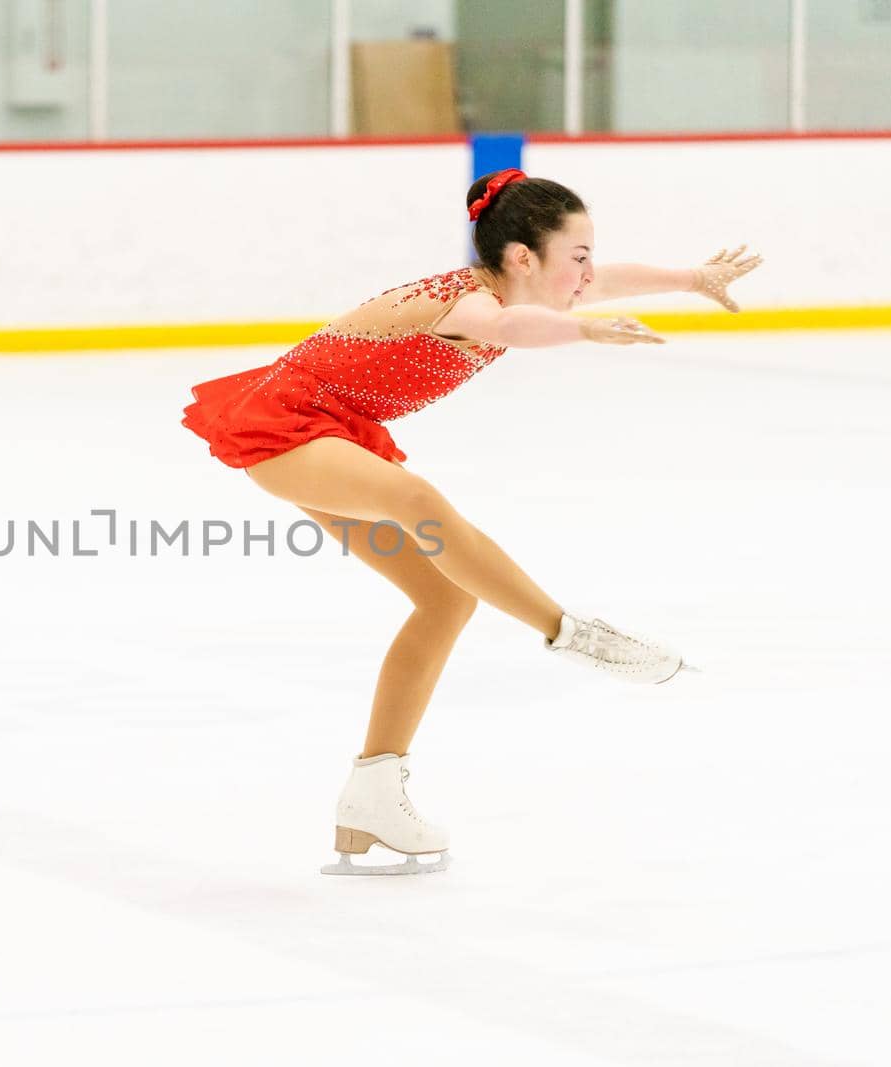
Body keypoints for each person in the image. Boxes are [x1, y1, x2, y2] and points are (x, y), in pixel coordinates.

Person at [179, 168, 762, 875]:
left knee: (445, 598)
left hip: (336, 433)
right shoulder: (472, 301)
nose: (589, 273)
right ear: (523, 258)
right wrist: (582, 329)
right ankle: (570, 632)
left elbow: (598, 286)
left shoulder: (522, 286)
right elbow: (513, 325)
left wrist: (690, 278)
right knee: (416, 499)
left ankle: (374, 789)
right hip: (289, 422)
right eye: (577, 258)